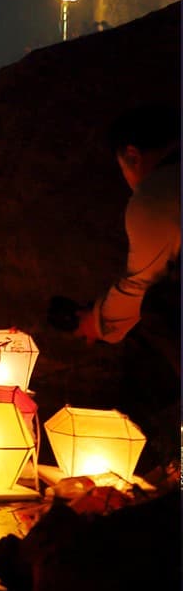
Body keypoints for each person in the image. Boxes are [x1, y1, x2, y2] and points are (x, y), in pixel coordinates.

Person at [77, 105, 181, 435]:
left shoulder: (159, 193)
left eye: (123, 168)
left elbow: (143, 282)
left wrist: (98, 322)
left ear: (132, 156)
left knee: (156, 311)